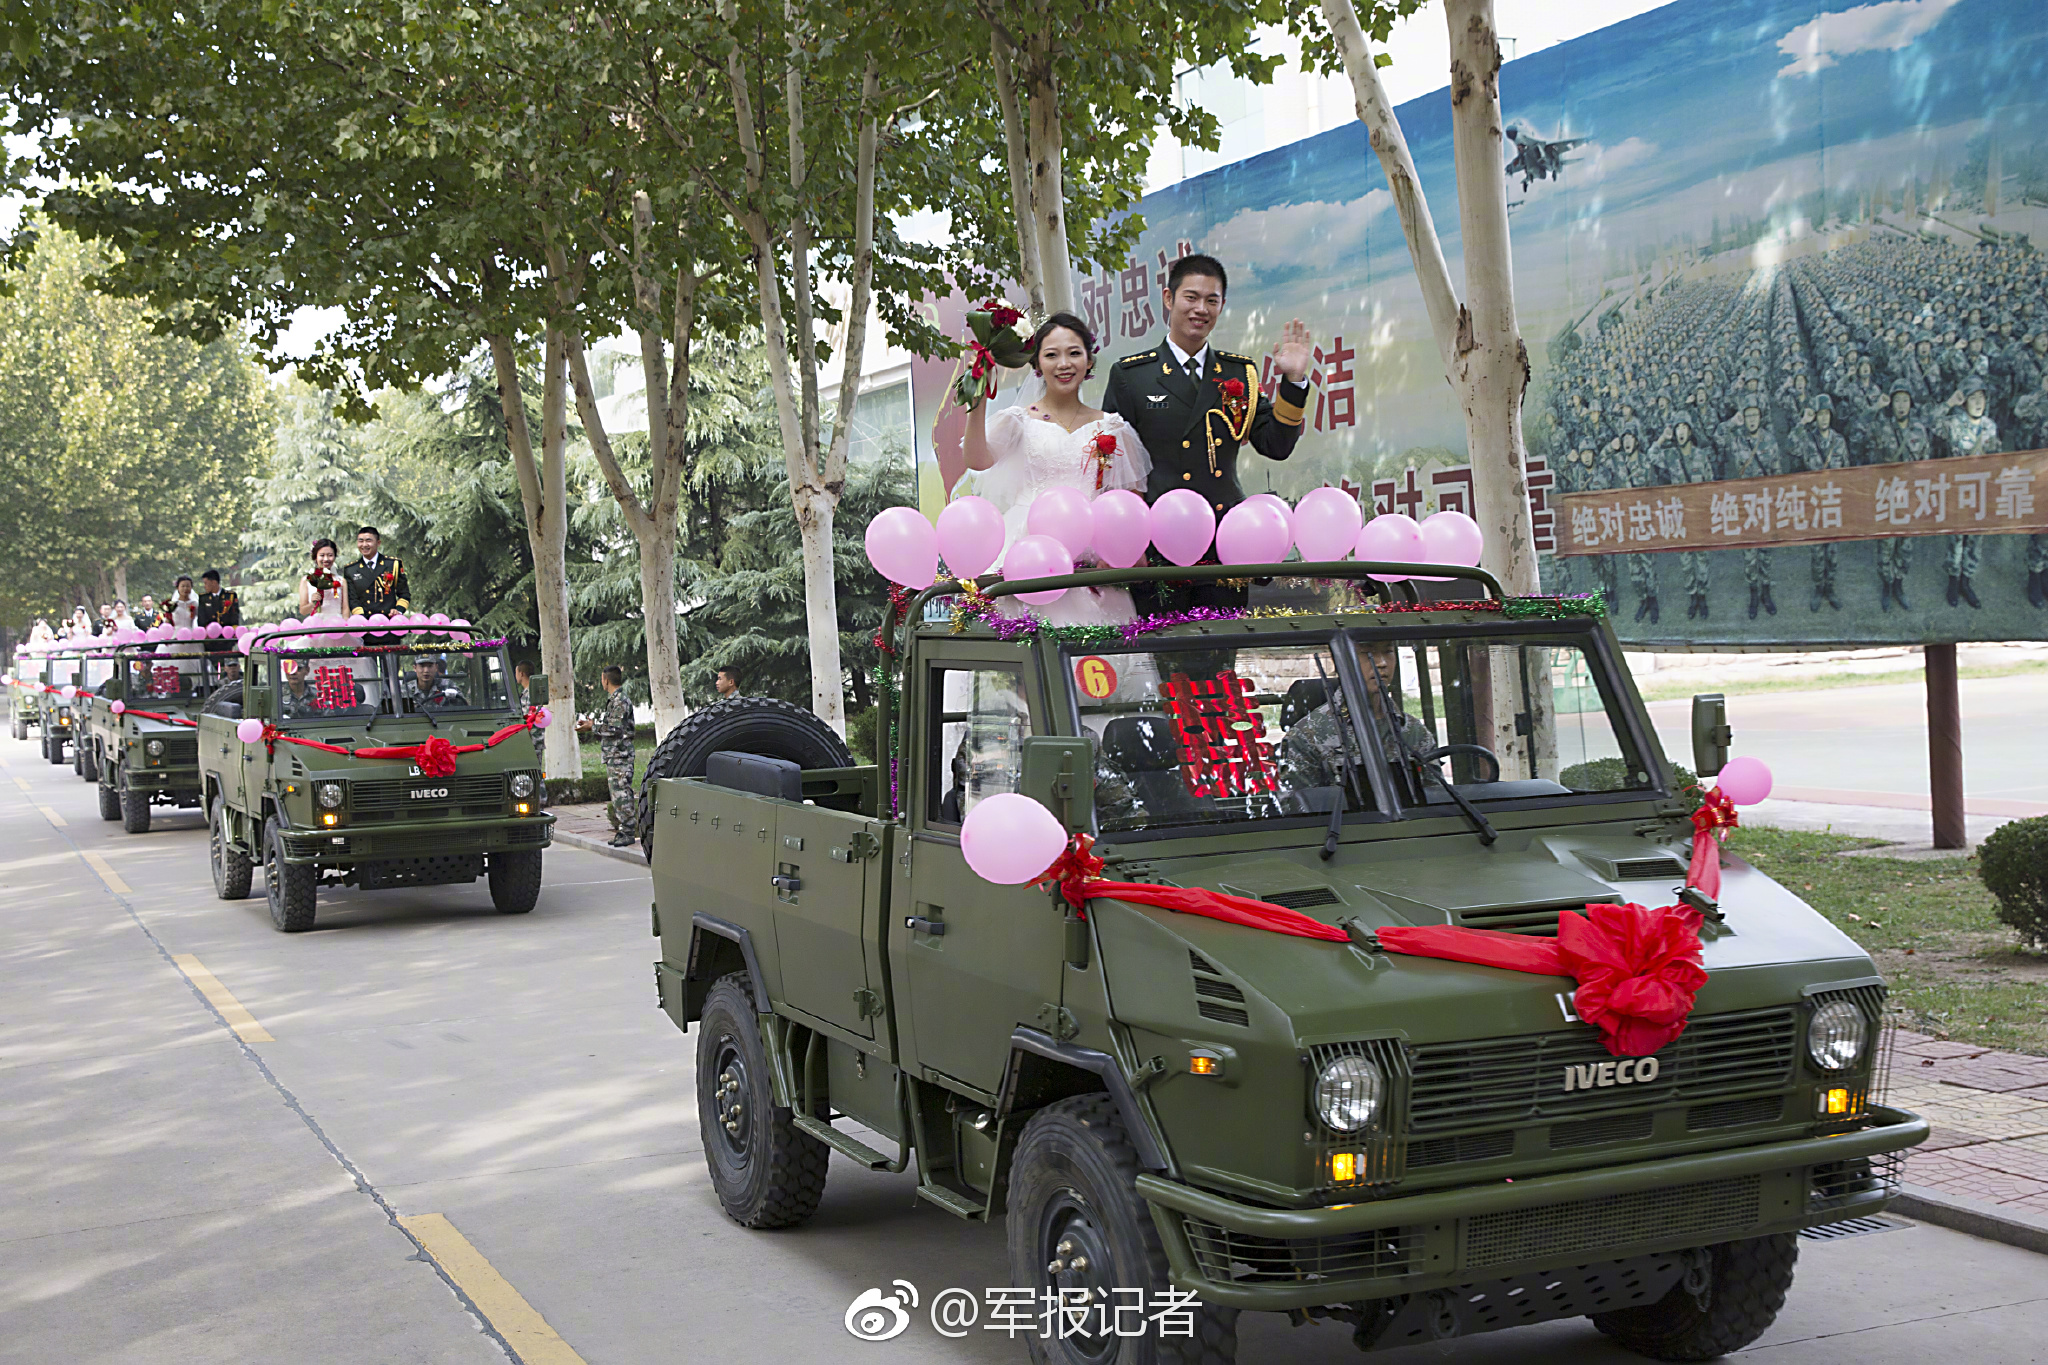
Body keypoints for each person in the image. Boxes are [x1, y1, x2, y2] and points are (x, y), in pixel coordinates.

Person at [1101, 254, 1314, 612]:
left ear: (1222, 306)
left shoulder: (1239, 373)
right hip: (1156, 548)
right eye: (1191, 297)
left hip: (1223, 547)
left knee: (1219, 663)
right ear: (1169, 299)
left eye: (1211, 301)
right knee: (1165, 658)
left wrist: (1293, 381)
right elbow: (1111, 465)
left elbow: (1276, 445)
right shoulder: (1131, 375)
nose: (1201, 309)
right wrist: (1122, 540)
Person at [962, 311, 1152, 624]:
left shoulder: (1113, 427)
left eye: (1074, 353)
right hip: (1028, 549)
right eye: (1051, 355)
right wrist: (976, 402)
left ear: (1089, 361)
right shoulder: (1018, 421)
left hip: (1090, 552)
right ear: (1037, 365)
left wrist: (1124, 551)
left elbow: (1131, 502)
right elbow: (976, 459)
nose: (1064, 364)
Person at [577, 665, 638, 847]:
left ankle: (627, 832)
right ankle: (623, 830)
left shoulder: (619, 700)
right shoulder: (615, 700)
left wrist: (591, 727)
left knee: (621, 794)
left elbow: (614, 729)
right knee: (618, 794)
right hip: (615, 756)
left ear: (606, 680)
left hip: (620, 756)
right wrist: (592, 724)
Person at [343, 525, 409, 638]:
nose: (364, 545)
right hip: (365, 627)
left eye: (368, 541)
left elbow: (404, 594)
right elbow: (352, 599)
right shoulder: (351, 569)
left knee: (391, 654)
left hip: (390, 625)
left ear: (378, 543)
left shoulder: (393, 564)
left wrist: (398, 611)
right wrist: (361, 619)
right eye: (361, 541)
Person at [299, 539, 350, 623]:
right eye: (322, 555)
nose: (326, 559)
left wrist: (345, 625)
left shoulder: (341, 580)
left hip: (337, 624)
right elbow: (303, 611)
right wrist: (312, 603)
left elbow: (345, 608)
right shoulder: (306, 580)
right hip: (316, 624)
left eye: (330, 555)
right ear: (315, 557)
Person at [197, 570, 240, 653]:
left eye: (206, 583)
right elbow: (201, 617)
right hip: (210, 638)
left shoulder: (230, 596)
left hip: (226, 637)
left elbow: (234, 615)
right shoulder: (203, 598)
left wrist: (233, 630)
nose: (204, 586)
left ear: (213, 582)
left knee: (226, 662)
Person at [399, 654, 465, 709]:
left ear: (436, 667)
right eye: (422, 666)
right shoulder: (405, 690)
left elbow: (464, 706)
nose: (426, 670)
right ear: (415, 668)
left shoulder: (447, 685)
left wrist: (453, 697)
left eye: (430, 666)